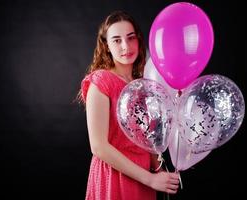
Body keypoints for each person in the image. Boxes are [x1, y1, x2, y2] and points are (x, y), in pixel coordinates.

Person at [77, 10, 180, 200]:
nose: (126, 46)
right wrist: (150, 179)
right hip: (114, 175)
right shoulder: (101, 81)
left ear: (139, 40)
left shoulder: (143, 82)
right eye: (116, 40)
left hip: (144, 176)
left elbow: (146, 138)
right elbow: (99, 146)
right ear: (106, 46)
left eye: (131, 38)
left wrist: (160, 172)